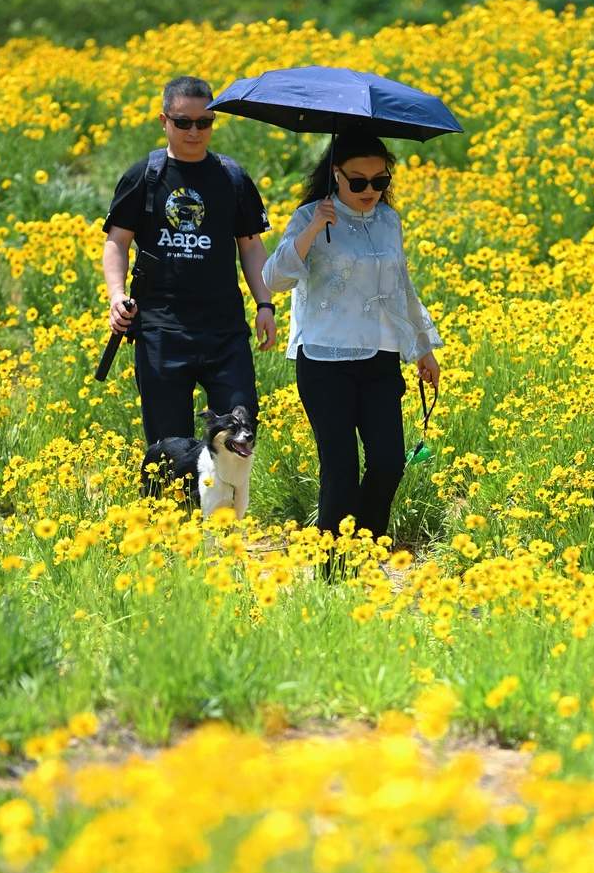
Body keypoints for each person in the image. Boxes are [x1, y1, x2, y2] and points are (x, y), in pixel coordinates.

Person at [262, 128, 441, 545]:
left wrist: (422, 347)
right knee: (340, 468)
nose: (370, 191)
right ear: (335, 175)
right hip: (325, 362)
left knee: (389, 462)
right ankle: (333, 566)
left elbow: (402, 287)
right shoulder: (310, 216)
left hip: (379, 359)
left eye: (380, 181)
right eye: (358, 181)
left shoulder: (388, 221)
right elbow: (274, 279)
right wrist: (311, 231)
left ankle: (363, 547)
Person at [101, 75, 277, 446]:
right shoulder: (145, 176)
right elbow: (117, 242)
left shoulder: (232, 177)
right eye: (183, 122)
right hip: (162, 331)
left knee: (241, 433)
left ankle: (227, 506)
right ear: (164, 121)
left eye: (204, 122)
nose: (194, 131)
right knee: (169, 445)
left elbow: (250, 246)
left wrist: (265, 303)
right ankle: (171, 506)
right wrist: (116, 297)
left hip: (224, 331)